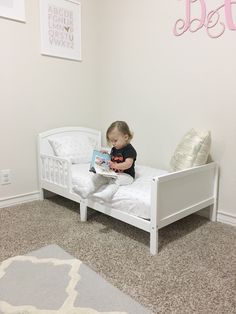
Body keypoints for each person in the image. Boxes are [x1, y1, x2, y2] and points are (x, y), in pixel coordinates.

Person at [93, 121, 137, 201]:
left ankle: (107, 194)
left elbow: (128, 164)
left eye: (115, 140)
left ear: (126, 137)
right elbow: (113, 158)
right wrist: (107, 155)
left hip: (127, 176)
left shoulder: (130, 150)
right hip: (114, 173)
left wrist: (115, 165)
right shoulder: (115, 148)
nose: (113, 143)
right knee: (99, 177)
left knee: (115, 181)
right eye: (111, 141)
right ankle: (87, 189)